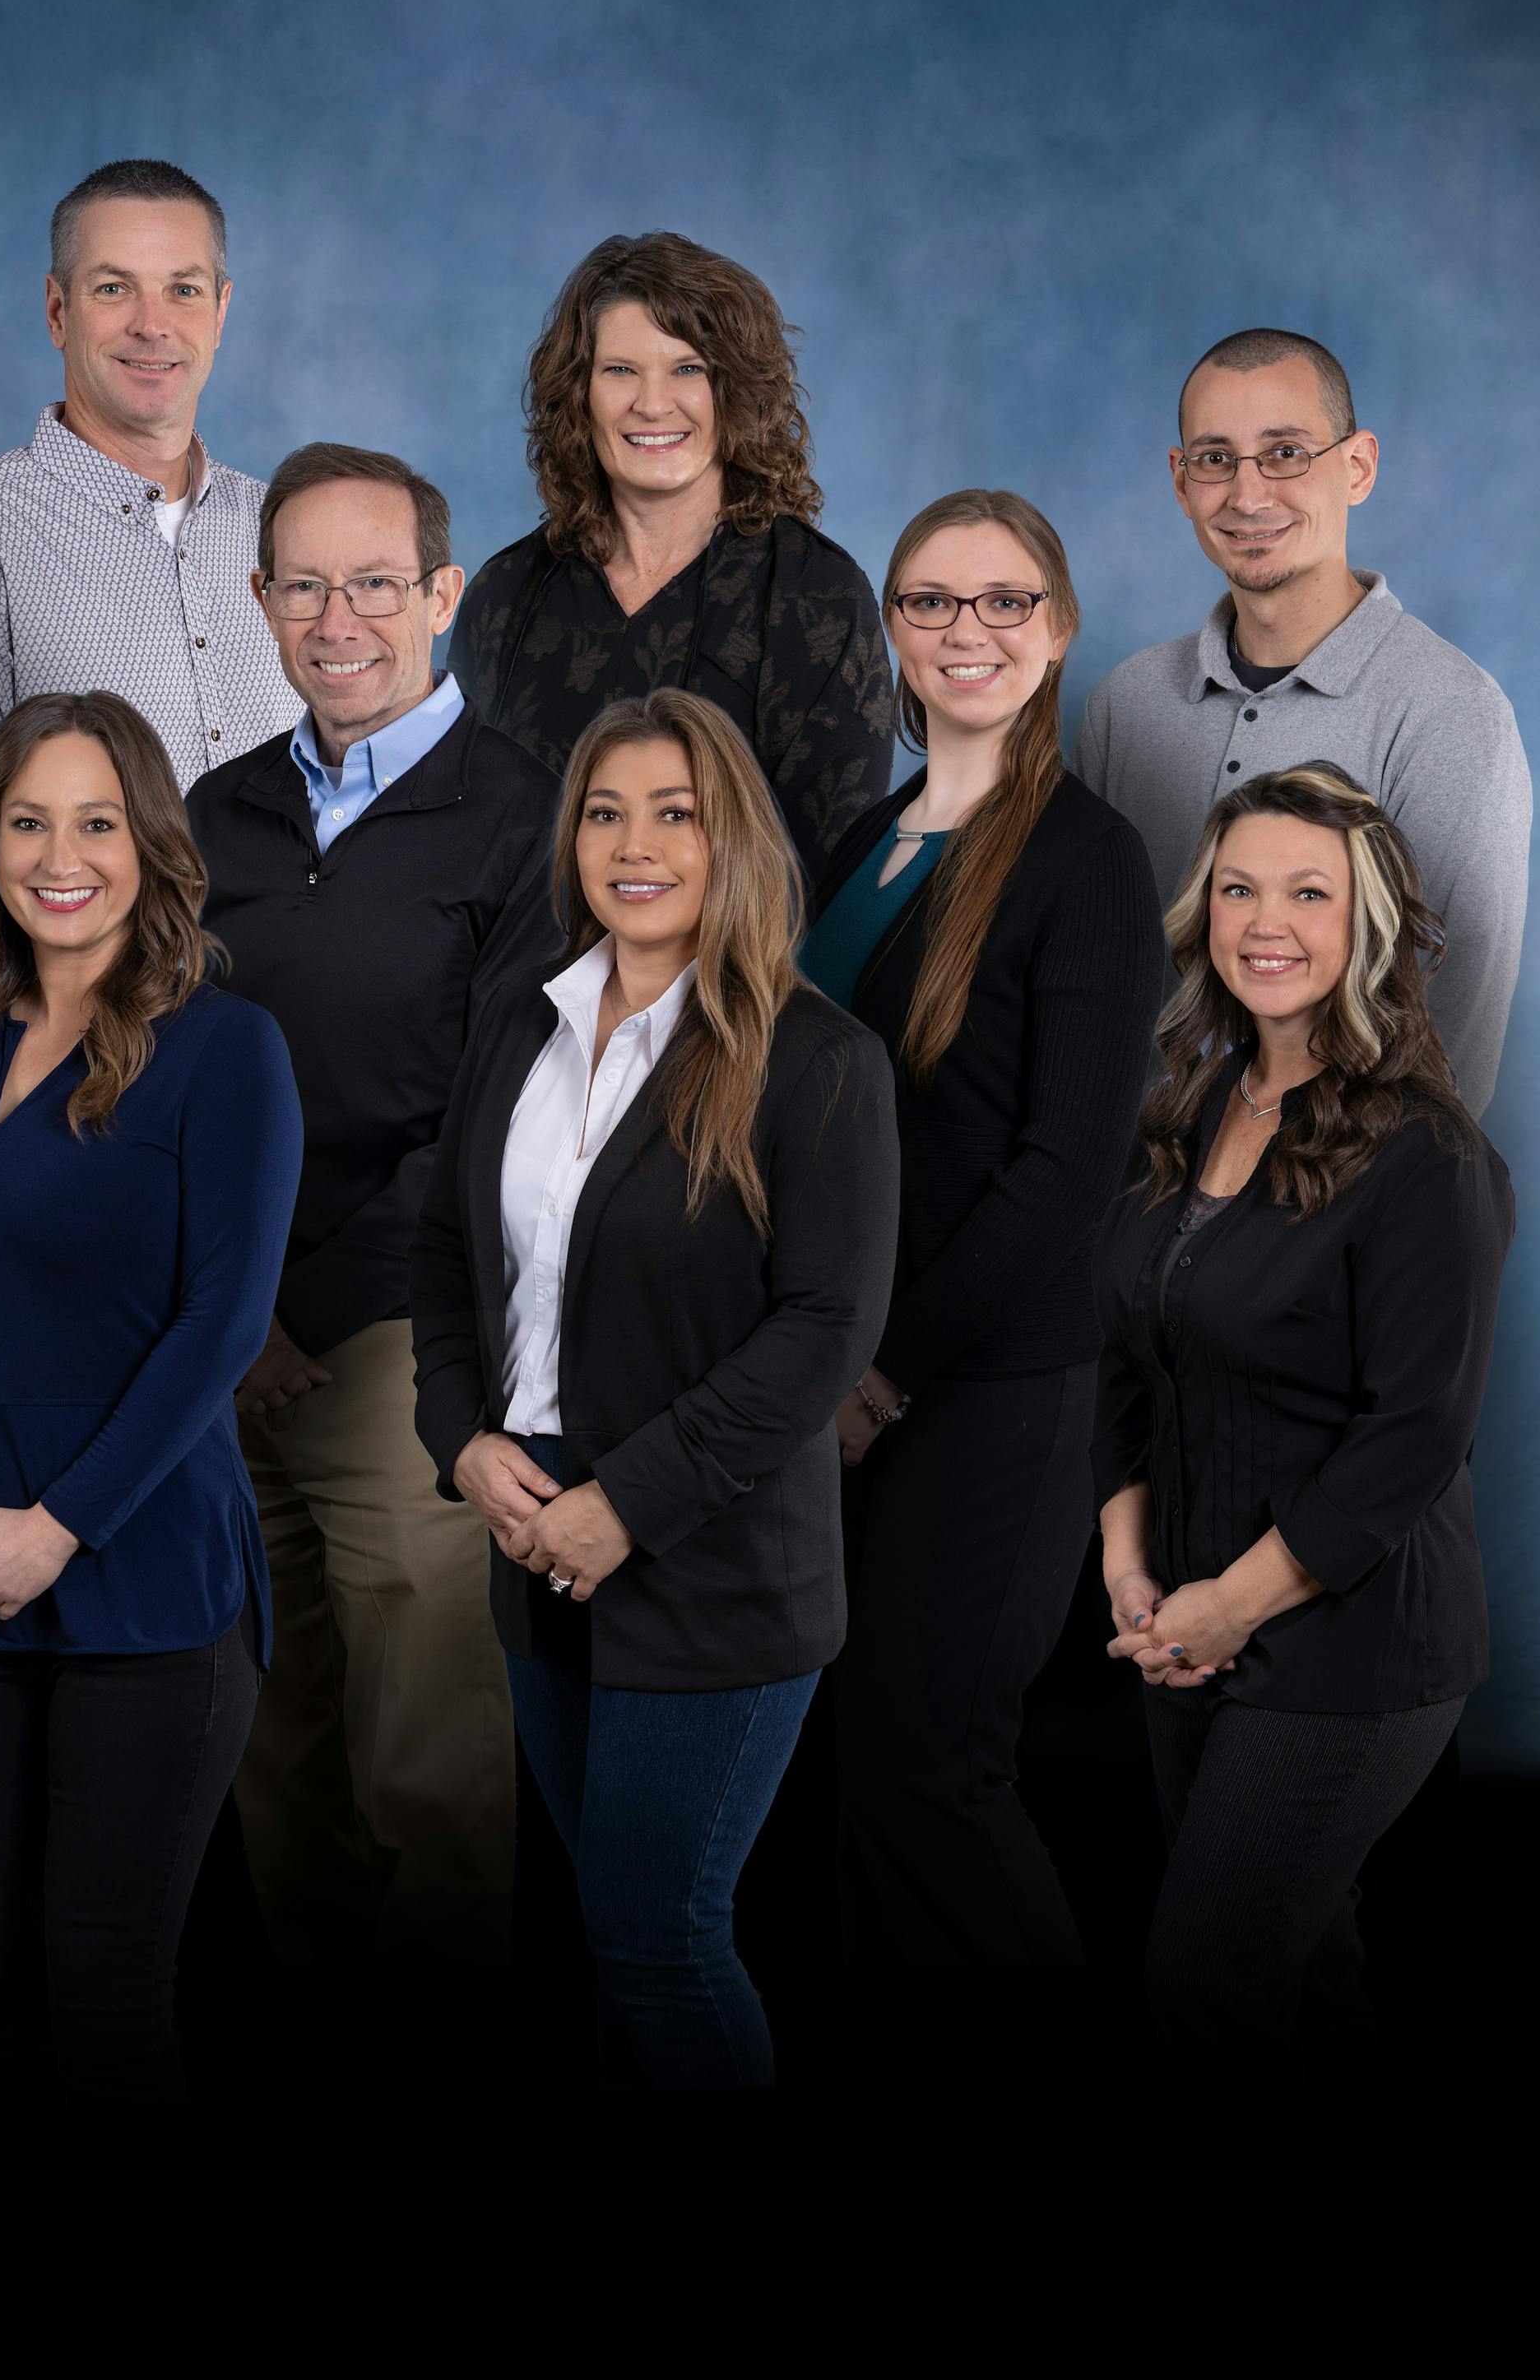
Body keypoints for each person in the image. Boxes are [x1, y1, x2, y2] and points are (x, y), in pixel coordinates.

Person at [411, 689, 898, 2085]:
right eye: (607, 812)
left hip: (715, 1560)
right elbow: (446, 1250)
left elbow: (825, 1330)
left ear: (729, 837)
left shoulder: (816, 1061)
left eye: (675, 812)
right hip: (533, 1537)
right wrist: (463, 1440)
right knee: (609, 1929)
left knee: (659, 1930)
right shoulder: (522, 1025)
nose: (637, 843)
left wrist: (627, 1500)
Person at [0, 691, 303, 2125]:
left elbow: (224, 1323)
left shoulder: (227, 1050)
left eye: (98, 821)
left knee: (105, 2001)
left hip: (146, 1587)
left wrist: (57, 1528)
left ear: (150, 841)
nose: (63, 854)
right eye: (29, 820)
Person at [188, 443, 558, 1968]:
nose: (340, 618)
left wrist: (310, 1304)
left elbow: (502, 1110)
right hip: (223, 1338)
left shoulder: (530, 812)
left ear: (443, 596)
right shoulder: (217, 816)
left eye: (376, 583)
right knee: (270, 1724)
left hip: (412, 1330)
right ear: (263, 599)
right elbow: (167, 1077)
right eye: (305, 584)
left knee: (427, 1733)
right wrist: (237, 1305)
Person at [1093, 765, 1510, 2077]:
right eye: (1239, 889)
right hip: (1183, 1622)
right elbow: (1122, 1361)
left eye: (1308, 893)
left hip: (1351, 1644)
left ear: (1365, 926)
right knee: (1296, 1982)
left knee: (1208, 1981)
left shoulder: (1427, 1156)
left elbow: (1413, 1437)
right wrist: (1132, 1571)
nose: (1267, 922)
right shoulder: (1193, 1110)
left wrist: (1229, 1607)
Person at [800, 492, 1162, 1979]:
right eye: (935, 603)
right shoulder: (853, 840)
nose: (971, 632)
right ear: (895, 628)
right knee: (834, 1788)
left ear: (1058, 627)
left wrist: (882, 1372)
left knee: (925, 1776)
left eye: (1007, 601)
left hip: (986, 1394)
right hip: (828, 1389)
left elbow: (1064, 1175)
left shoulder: (1090, 860)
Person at [1079, 328, 1532, 1108]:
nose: (1249, 496)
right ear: (1181, 481)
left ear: (1356, 467)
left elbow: (1452, 1045)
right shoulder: (1126, 704)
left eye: (1286, 453)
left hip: (1326, 1207)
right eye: (1216, 458)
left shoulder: (1451, 713)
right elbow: (1079, 975)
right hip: (1120, 1196)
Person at [451, 233, 894, 884]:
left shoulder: (814, 596)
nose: (652, 404)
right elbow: (460, 839)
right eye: (620, 370)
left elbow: (828, 876)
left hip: (731, 983)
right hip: (517, 983)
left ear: (736, 391)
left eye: (688, 369)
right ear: (580, 395)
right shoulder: (508, 593)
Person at [0, 160, 294, 779]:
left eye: (184, 290)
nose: (153, 325)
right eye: (113, 288)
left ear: (220, 313)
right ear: (57, 312)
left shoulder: (281, 526)